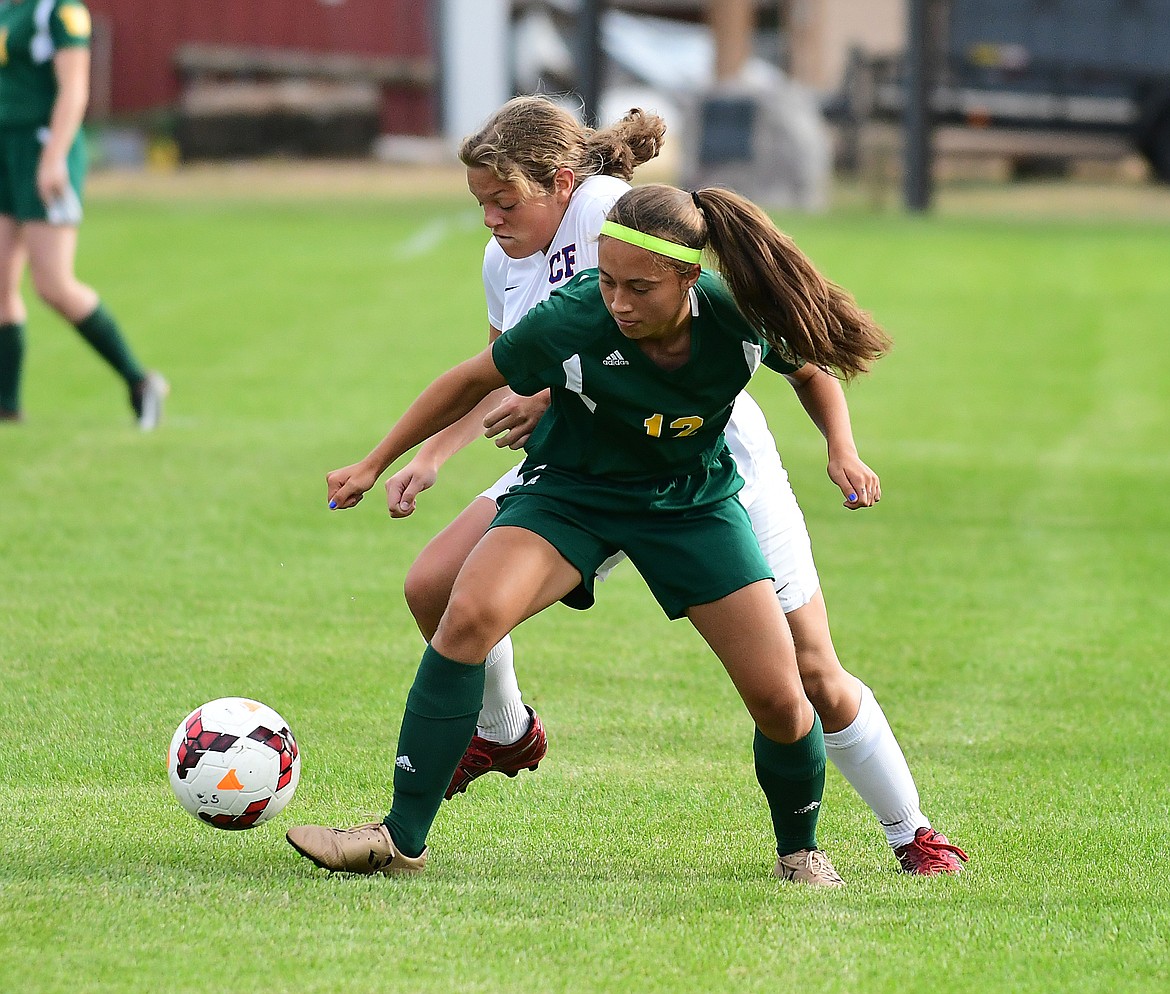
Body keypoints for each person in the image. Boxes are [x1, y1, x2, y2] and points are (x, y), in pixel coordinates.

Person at [382, 97, 967, 875]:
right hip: (587, 465)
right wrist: (431, 455)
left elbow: (639, 337)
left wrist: (843, 451)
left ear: (560, 183)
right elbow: (502, 369)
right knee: (437, 585)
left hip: (705, 474)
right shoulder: (513, 262)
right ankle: (502, 730)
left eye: (503, 199)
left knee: (807, 677)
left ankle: (908, 831)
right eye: (480, 201)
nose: (490, 217)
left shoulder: (615, 221)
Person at [287, 183, 896, 888]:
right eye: (607, 281)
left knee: (781, 698)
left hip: (690, 504)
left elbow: (814, 373)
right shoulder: (574, 314)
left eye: (639, 287)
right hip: (574, 493)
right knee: (469, 614)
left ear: (688, 279)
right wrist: (375, 461)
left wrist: (841, 450)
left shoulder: (739, 317)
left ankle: (800, 850)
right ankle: (399, 838)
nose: (618, 302)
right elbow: (467, 380)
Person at [0, 0, 166, 427]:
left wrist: (53, 158)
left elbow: (74, 88)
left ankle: (140, 380)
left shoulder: (60, 10)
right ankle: (7, 407)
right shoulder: (8, 10)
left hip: (42, 150)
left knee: (53, 285)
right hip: (5, 150)